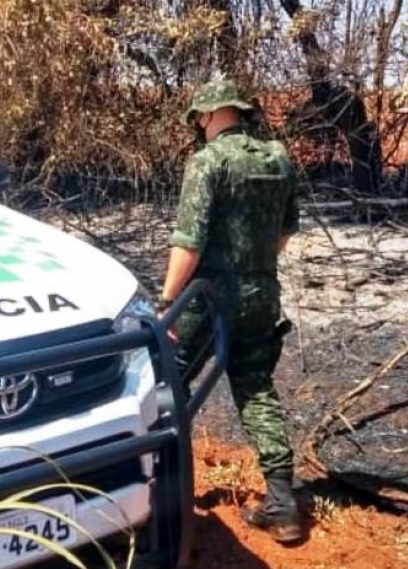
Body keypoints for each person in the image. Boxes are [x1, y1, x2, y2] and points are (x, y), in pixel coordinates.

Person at [158, 78, 303, 543]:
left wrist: (168, 305)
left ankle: (158, 490)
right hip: (263, 292)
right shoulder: (277, 158)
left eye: (200, 118)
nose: (199, 126)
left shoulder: (207, 162)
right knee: (256, 388)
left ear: (210, 114)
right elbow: (283, 235)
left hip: (210, 298)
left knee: (169, 384)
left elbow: (189, 243)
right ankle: (282, 503)